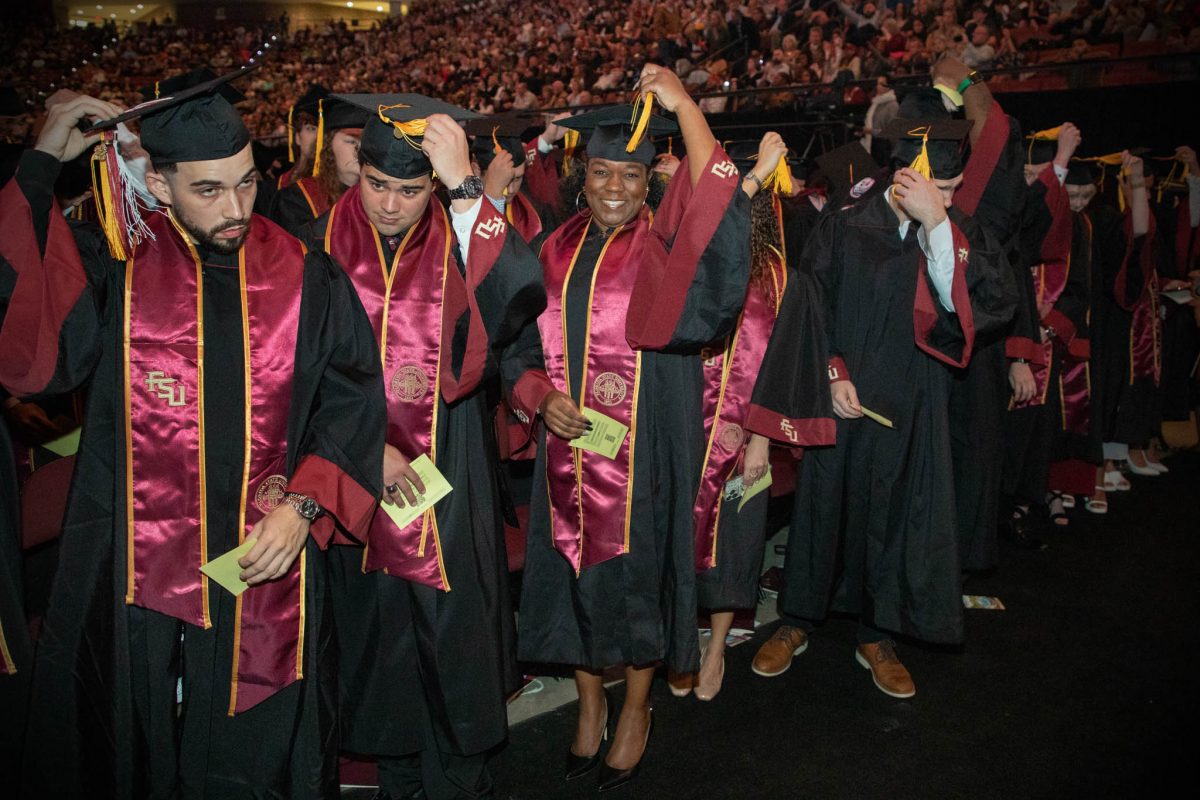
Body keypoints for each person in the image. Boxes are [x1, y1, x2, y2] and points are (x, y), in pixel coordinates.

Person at [0, 71, 385, 798]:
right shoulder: (117, 266)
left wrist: (303, 504)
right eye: (209, 190)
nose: (237, 207)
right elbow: (32, 358)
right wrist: (40, 166)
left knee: (257, 742)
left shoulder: (307, 273)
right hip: (137, 551)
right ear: (161, 181)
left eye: (244, 183)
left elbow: (352, 402)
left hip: (263, 544)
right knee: (134, 733)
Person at [296, 93, 546, 800]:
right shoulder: (313, 244)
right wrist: (362, 445)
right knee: (379, 631)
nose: (391, 204)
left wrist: (466, 188)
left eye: (411, 190)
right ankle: (399, 769)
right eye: (378, 185)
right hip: (354, 468)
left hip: (450, 459)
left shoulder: (460, 238)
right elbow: (286, 370)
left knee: (453, 628)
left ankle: (460, 776)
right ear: (356, 171)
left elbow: (518, 299)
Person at [516, 64, 750, 791]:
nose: (614, 187)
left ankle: (639, 707)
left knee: (637, 582)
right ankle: (589, 705)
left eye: (630, 175)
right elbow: (515, 343)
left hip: (646, 448)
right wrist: (535, 392)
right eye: (601, 173)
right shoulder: (550, 251)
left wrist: (682, 108)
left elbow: (717, 202)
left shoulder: (669, 247)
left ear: (652, 181)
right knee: (570, 584)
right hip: (565, 457)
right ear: (580, 177)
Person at [749, 106, 1017, 698]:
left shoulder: (954, 229)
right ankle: (796, 620)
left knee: (893, 514)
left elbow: (986, 306)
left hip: (914, 401)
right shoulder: (845, 225)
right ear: (907, 175)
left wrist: (937, 226)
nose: (948, 197)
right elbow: (812, 306)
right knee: (822, 509)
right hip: (841, 398)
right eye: (940, 186)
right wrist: (832, 372)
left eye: (950, 188)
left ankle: (877, 633)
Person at [674, 132, 836, 702]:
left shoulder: (780, 271)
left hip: (748, 436)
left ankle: (716, 648)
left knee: (737, 542)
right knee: (677, 536)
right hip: (683, 427)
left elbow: (786, 362)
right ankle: (681, 643)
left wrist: (765, 438)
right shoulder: (691, 250)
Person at [270, 92, 371, 234]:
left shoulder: (382, 197)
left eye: (367, 142)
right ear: (328, 146)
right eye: (351, 141)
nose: (360, 150)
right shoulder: (297, 200)